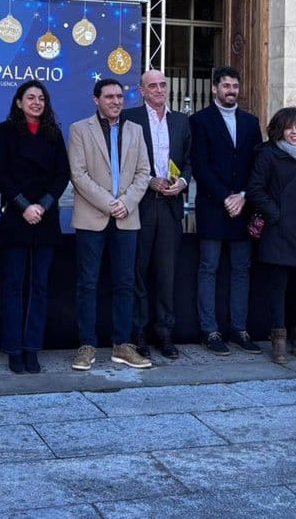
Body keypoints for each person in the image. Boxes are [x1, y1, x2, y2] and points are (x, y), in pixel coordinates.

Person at [67, 78, 152, 370]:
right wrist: (109, 203)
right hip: (92, 217)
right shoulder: (79, 129)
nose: (116, 101)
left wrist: (126, 203)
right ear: (96, 100)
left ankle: (121, 345)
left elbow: (144, 172)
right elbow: (78, 175)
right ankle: (86, 345)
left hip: (127, 217)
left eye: (120, 96)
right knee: (87, 284)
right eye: (110, 96)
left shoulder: (136, 130)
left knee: (125, 283)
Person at [0, 80, 71, 374]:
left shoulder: (53, 133)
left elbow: (63, 174)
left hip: (45, 218)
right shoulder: (6, 131)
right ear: (18, 102)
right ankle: (13, 349)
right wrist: (24, 205)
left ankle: (32, 348)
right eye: (31, 98)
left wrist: (43, 205)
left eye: (41, 98)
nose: (36, 102)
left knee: (39, 286)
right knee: (14, 286)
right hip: (16, 216)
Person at [188, 66, 262, 355]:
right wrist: (225, 197)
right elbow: (200, 165)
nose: (231, 90)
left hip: (243, 208)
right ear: (214, 88)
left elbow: (257, 164)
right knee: (209, 269)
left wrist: (242, 196)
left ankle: (239, 329)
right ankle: (210, 331)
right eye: (226, 85)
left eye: (235, 85)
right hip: (212, 206)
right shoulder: (200, 120)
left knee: (241, 269)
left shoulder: (251, 122)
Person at [248, 107, 296, 366]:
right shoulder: (268, 155)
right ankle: (278, 341)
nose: (295, 132)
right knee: (277, 289)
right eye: (290, 127)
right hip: (279, 232)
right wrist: (276, 215)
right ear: (280, 129)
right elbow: (256, 190)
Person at [121, 69, 191, 360]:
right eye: (153, 86)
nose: (160, 89)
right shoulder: (130, 119)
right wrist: (148, 179)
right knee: (139, 272)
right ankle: (139, 333)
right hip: (142, 204)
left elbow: (189, 160)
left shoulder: (181, 121)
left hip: (172, 206)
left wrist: (183, 183)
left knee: (167, 273)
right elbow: (124, 160)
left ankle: (165, 332)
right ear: (141, 90)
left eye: (163, 84)